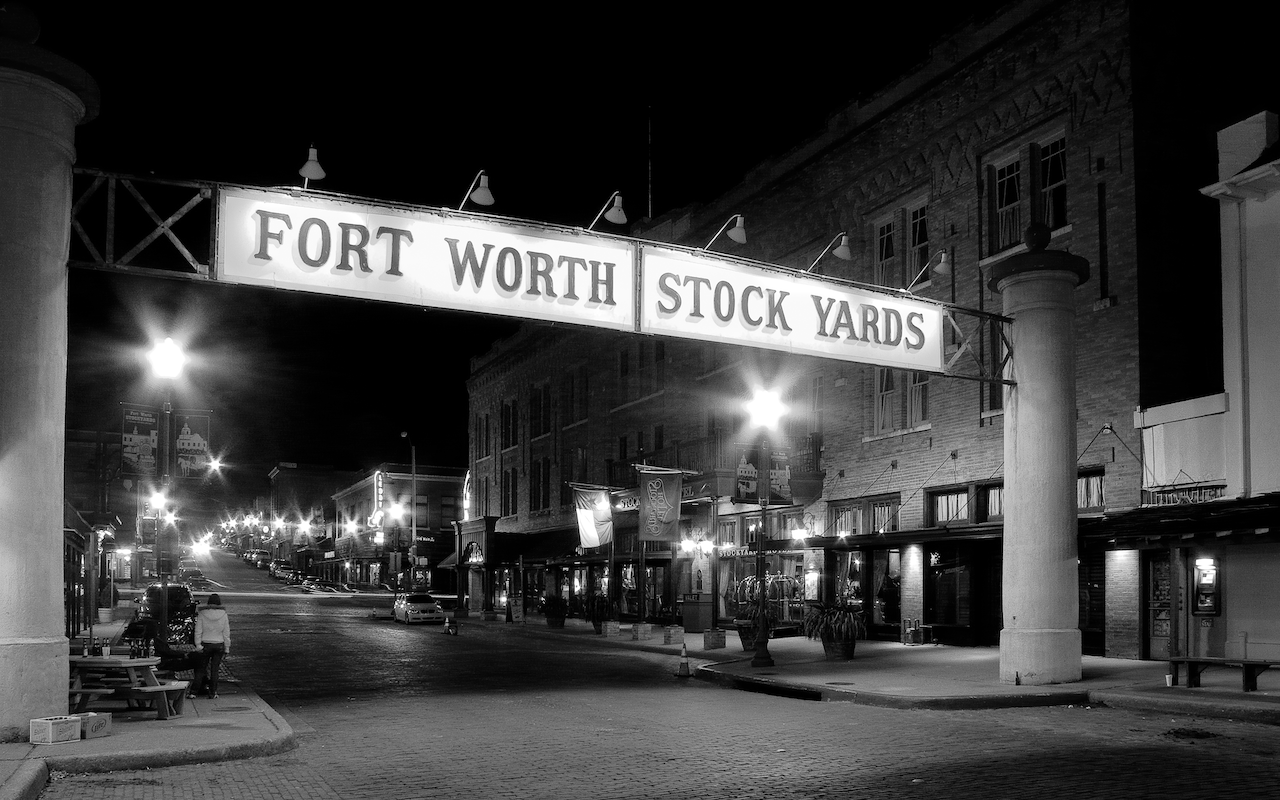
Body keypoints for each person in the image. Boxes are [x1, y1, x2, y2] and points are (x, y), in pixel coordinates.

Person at [192, 593, 231, 699]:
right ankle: (213, 692)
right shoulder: (223, 614)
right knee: (215, 670)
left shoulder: (202, 613)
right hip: (219, 643)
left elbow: (198, 631)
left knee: (201, 668)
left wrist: (198, 644)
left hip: (205, 643)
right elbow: (226, 632)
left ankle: (194, 691)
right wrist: (227, 647)